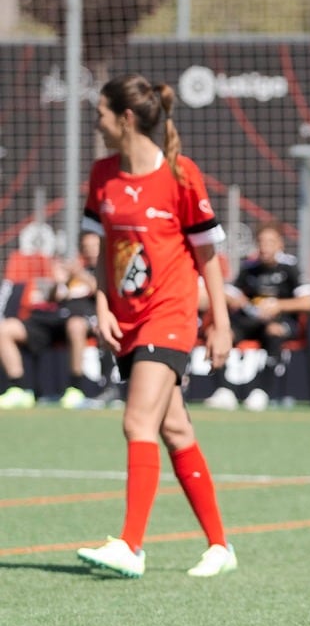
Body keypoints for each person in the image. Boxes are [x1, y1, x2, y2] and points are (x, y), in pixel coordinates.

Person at [75, 74, 236, 580]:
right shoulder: (103, 174)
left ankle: (131, 545)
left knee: (136, 422)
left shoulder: (181, 175)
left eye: (100, 112)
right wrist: (101, 304)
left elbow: (207, 257)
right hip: (125, 318)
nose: (95, 121)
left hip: (169, 314)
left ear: (125, 118)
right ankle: (219, 546)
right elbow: (102, 253)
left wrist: (219, 322)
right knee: (173, 427)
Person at [205, 221, 310, 412]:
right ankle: (225, 391)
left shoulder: (290, 268)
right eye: (261, 242)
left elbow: (308, 303)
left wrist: (278, 306)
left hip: (282, 321)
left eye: (270, 242)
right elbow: (227, 293)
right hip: (250, 321)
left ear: (280, 244)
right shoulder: (249, 267)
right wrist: (235, 299)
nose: (265, 247)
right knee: (222, 333)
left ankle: (261, 393)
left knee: (274, 332)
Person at [0, 230, 102, 409]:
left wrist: (79, 274)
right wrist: (60, 281)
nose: (91, 250)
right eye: (87, 247)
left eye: (95, 246)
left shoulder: (103, 270)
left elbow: (98, 289)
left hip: (81, 321)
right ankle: (19, 389)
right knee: (6, 329)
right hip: (53, 319)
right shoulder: (73, 269)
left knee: (75, 325)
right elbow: (52, 298)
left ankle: (75, 389)